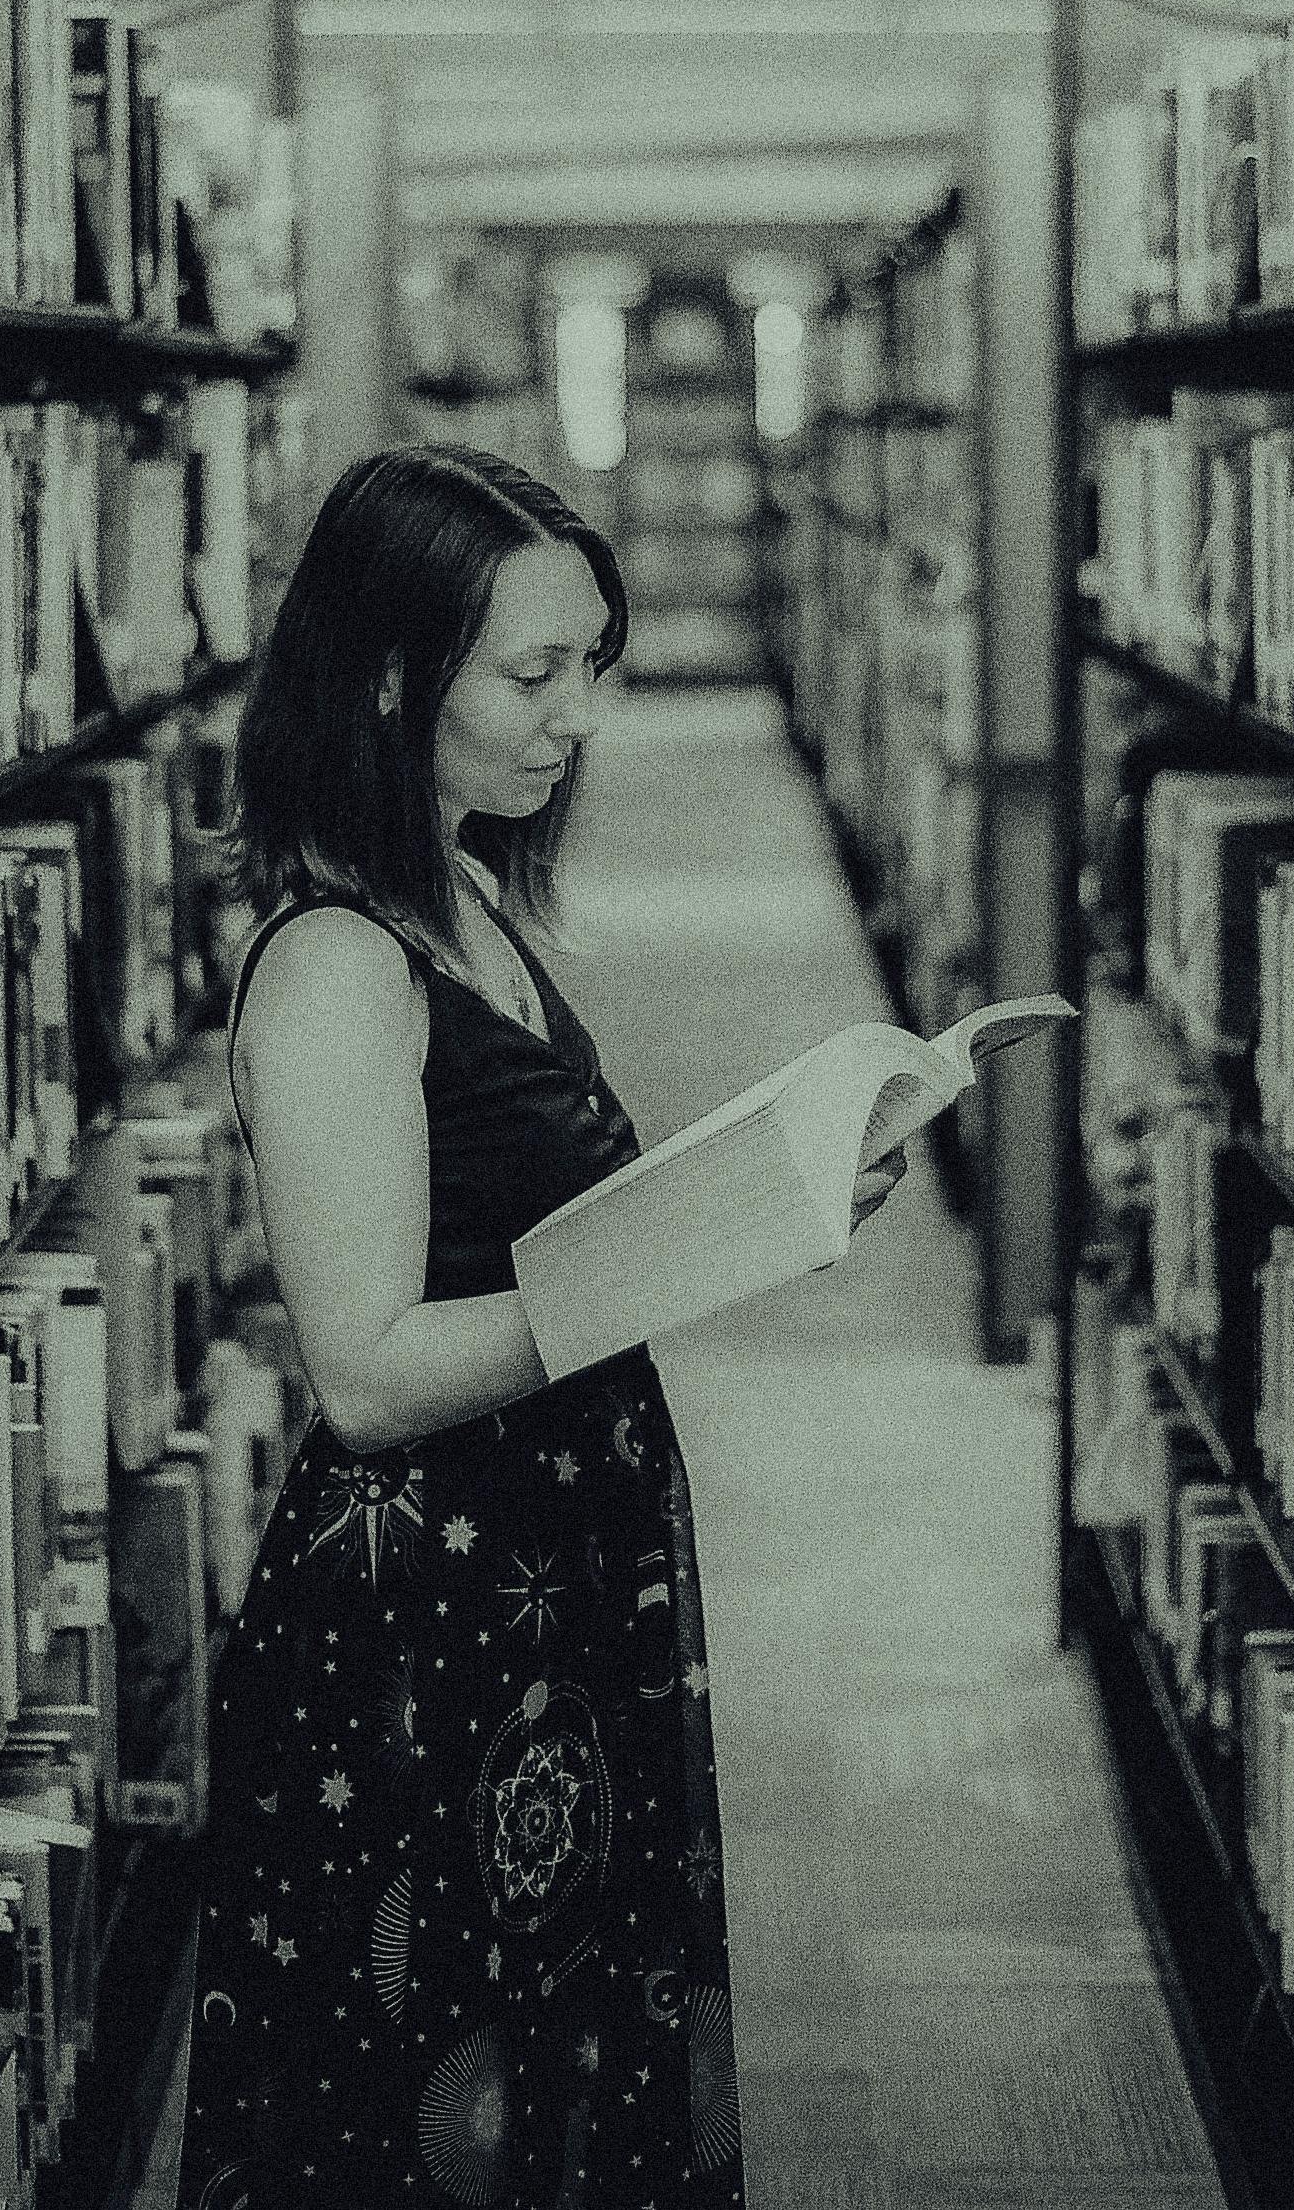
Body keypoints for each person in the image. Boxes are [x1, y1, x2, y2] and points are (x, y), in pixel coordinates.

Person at [174, 443, 893, 2206]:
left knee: (564, 2048)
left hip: (546, 1580)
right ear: (394, 672)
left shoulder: (465, 888)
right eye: (535, 670)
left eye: (594, 665)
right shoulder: (341, 964)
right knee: (429, 2096)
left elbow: (544, 1230)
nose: (577, 715)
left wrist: (758, 1208)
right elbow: (363, 1373)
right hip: (423, 1638)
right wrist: (653, 1278)